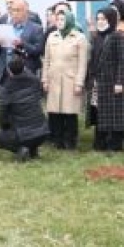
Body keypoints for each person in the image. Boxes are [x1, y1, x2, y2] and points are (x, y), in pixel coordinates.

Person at [0, 49, 51, 161]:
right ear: (24, 69)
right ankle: (32, 150)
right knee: (27, 125)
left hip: (24, 134)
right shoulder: (34, 80)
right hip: (43, 132)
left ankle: (20, 149)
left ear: (9, 72)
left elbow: (3, 117)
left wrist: (6, 128)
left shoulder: (6, 89)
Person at [42, 9, 88, 150]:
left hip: (70, 80)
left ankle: (70, 141)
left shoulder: (79, 37)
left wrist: (79, 82)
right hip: (54, 79)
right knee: (54, 112)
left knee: (70, 112)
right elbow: (46, 60)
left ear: (69, 20)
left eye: (62, 19)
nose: (60, 22)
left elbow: (82, 63)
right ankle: (57, 140)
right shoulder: (52, 37)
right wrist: (44, 79)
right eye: (58, 19)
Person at [88, 8, 124, 152]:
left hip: (113, 81)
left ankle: (115, 144)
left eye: (103, 19)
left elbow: (122, 61)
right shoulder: (97, 37)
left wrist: (119, 81)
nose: (100, 22)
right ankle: (100, 142)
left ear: (111, 20)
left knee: (115, 114)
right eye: (98, 19)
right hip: (99, 81)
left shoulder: (117, 36)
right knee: (100, 113)